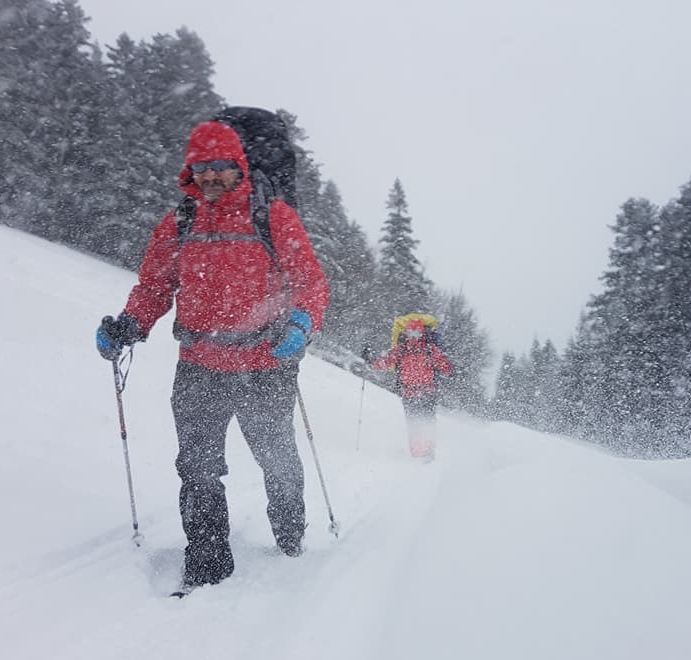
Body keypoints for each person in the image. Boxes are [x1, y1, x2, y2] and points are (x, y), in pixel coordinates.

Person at [96, 119, 328, 589]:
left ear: (238, 165)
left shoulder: (272, 216)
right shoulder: (180, 221)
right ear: (190, 171)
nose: (210, 175)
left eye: (220, 165)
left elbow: (310, 282)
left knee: (276, 459)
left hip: (264, 364)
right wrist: (130, 324)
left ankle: (290, 534)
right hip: (199, 366)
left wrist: (300, 325)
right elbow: (155, 286)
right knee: (197, 468)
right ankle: (206, 564)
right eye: (200, 168)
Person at [370, 317, 452, 460]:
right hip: (409, 393)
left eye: (416, 333)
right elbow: (387, 361)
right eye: (410, 333)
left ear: (422, 333)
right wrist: (372, 363)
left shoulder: (429, 349)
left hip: (427, 393)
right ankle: (416, 454)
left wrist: (449, 370)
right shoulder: (402, 349)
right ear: (406, 333)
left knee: (427, 423)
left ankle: (428, 454)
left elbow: (445, 366)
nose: (413, 336)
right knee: (413, 424)